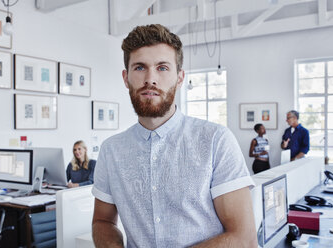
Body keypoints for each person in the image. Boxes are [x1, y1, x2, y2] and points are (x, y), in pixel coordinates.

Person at [92, 24, 257, 247]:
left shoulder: (216, 141)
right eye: (140, 67)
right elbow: (102, 221)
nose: (150, 79)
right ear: (126, 77)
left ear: (180, 78)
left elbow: (243, 238)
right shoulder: (111, 150)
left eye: (162, 68)